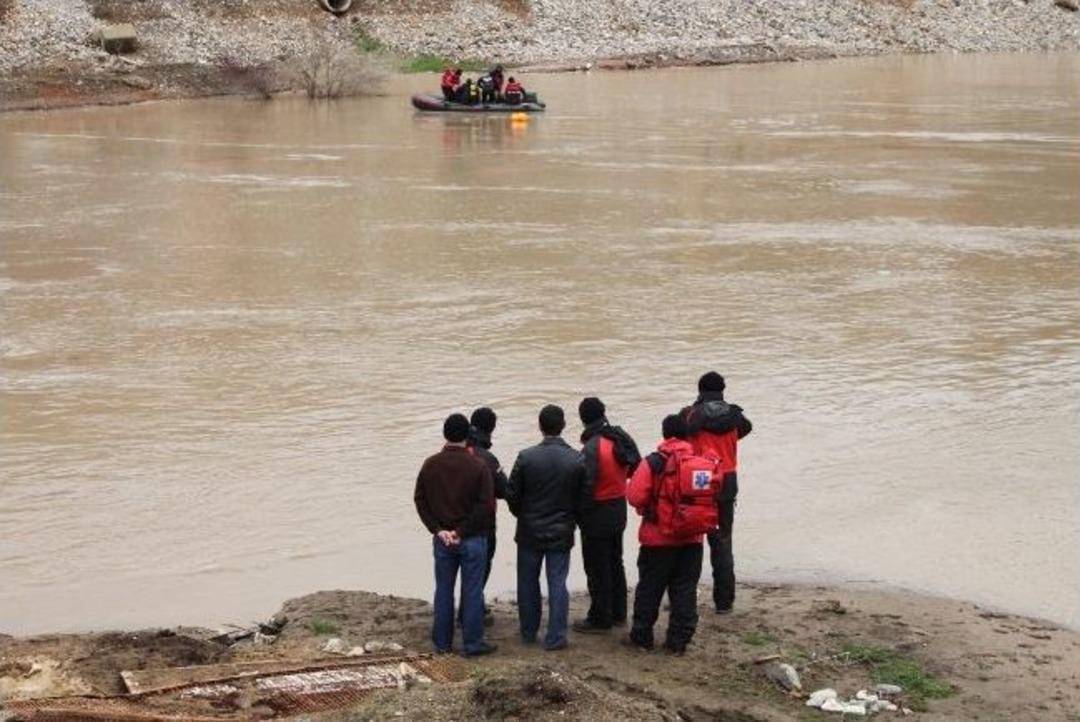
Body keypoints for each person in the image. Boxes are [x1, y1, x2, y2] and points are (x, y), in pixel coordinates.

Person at [505, 405, 588, 651]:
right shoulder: (576, 458)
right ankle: (556, 636)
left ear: (540, 426)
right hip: (562, 530)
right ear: (562, 426)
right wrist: (571, 518)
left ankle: (529, 631)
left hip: (529, 529)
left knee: (528, 582)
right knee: (557, 583)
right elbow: (584, 497)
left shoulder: (525, 457)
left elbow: (511, 493)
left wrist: (523, 514)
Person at [414, 413, 497, 657]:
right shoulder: (478, 466)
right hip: (471, 539)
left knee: (443, 590)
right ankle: (472, 643)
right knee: (471, 592)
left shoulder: (430, 464)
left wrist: (438, 529)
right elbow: (485, 506)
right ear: (467, 436)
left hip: (442, 540)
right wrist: (461, 531)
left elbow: (420, 500)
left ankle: (442, 643)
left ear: (445, 435)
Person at [625, 414, 708, 654]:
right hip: (692, 538)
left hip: (657, 539)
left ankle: (642, 638)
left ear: (664, 434)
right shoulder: (700, 462)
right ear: (687, 434)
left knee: (650, 588)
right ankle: (678, 642)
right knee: (684, 590)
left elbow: (634, 496)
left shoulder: (653, 462)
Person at [682, 372, 752, 615]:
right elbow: (746, 429)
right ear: (722, 390)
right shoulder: (735, 416)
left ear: (700, 390)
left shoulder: (693, 415)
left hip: (699, 478)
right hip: (728, 481)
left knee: (689, 539)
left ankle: (684, 598)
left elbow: (683, 434)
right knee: (722, 542)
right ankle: (724, 602)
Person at [573, 397, 641, 634]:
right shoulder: (619, 436)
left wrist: (578, 514)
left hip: (597, 511)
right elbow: (637, 465)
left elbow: (586, 485)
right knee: (615, 561)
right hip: (618, 506)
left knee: (596, 565)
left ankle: (600, 618)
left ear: (582, 419)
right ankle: (619, 613)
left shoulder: (592, 446)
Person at [467, 406, 508, 624]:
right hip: (483, 522)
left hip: (451, 520)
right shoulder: (488, 459)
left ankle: (467, 606)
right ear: (491, 430)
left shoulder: (454, 451)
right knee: (481, 565)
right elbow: (505, 490)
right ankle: (473, 607)